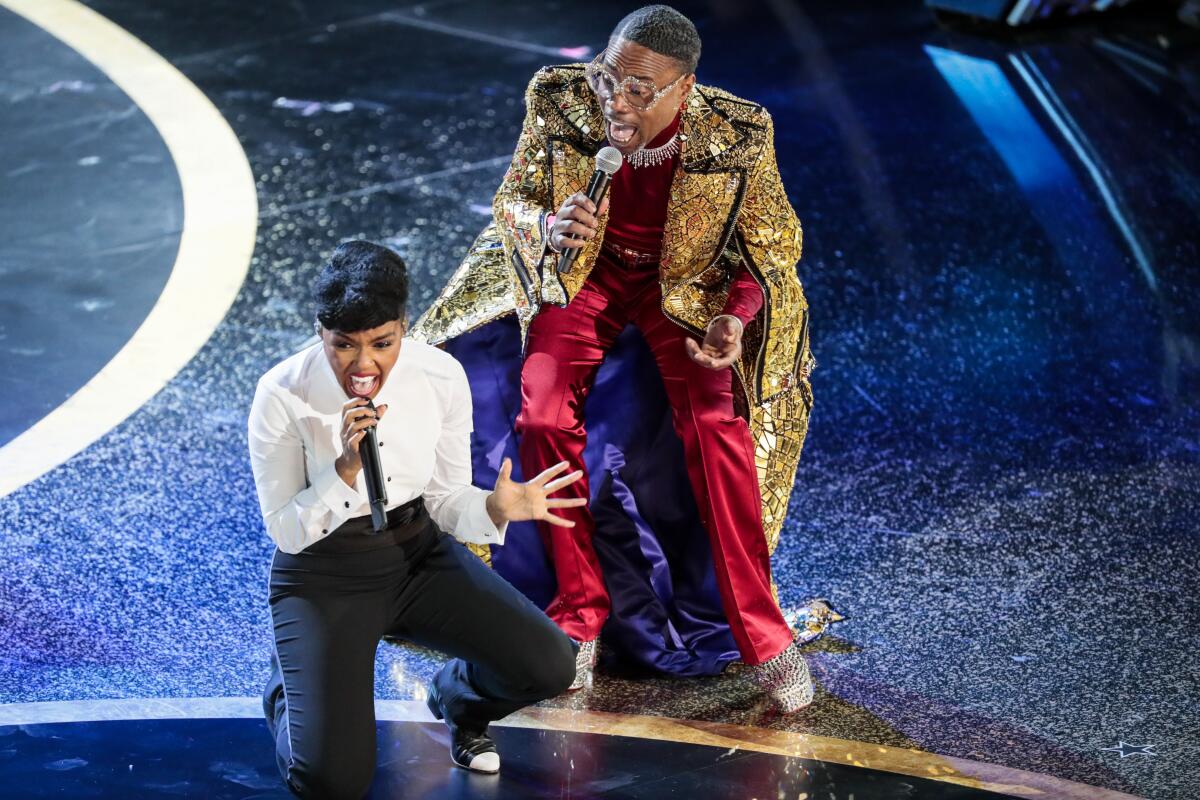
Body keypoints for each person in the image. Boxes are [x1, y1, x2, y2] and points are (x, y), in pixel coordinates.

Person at [412, 4, 833, 713]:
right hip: (586, 278)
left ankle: (763, 635)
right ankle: (580, 614)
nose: (616, 99)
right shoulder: (559, 98)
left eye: (640, 89)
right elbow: (513, 198)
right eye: (610, 78)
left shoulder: (736, 131)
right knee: (541, 413)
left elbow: (770, 247)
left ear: (683, 88)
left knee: (714, 425)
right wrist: (548, 226)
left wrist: (735, 318)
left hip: (682, 292)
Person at [248, 240, 582, 798]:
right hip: (323, 576)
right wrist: (343, 471)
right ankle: (289, 694)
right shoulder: (281, 394)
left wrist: (494, 508)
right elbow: (286, 531)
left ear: (404, 325)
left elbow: (446, 498)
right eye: (343, 346)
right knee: (332, 781)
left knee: (550, 665)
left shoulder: (439, 375)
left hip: (415, 555)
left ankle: (458, 701)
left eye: (382, 343)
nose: (364, 364)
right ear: (320, 332)